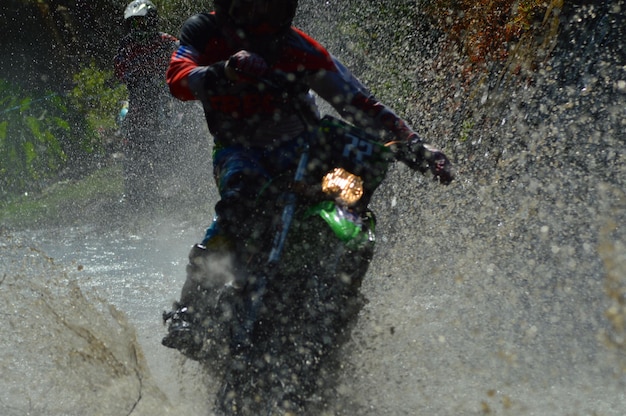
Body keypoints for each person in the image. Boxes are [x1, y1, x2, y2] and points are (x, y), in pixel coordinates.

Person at [162, 0, 453, 350]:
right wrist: (225, 71)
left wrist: (416, 146)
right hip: (238, 151)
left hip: (304, 152)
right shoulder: (203, 32)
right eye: (256, 9)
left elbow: (359, 103)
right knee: (239, 200)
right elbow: (178, 77)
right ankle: (190, 308)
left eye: (273, 7)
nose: (264, 18)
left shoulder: (299, 48)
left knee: (351, 201)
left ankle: (342, 299)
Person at [114, 0, 179, 208]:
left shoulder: (167, 41)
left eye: (141, 23)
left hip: (167, 95)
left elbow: (185, 59)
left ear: (151, 21)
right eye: (133, 24)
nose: (137, 28)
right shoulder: (126, 45)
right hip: (139, 98)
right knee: (129, 132)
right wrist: (132, 76)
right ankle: (133, 190)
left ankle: (192, 178)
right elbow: (119, 70)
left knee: (187, 119)